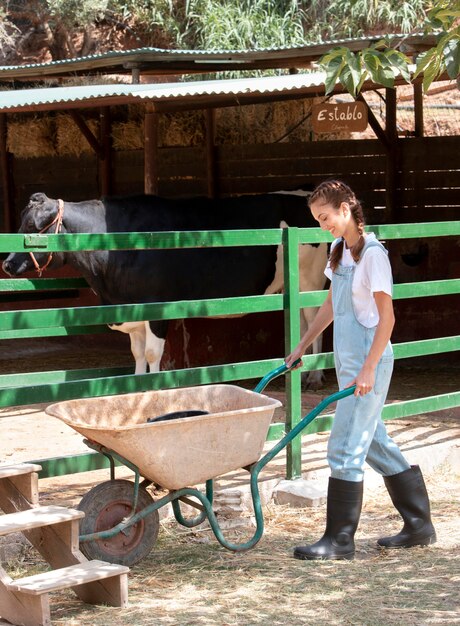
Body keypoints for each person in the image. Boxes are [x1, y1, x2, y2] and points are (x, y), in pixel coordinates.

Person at [285, 180, 436, 561]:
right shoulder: (339, 251)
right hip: (349, 362)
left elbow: (387, 318)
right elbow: (332, 305)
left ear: (346, 210)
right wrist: (302, 345)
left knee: (346, 446)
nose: (323, 227)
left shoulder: (373, 255)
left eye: (325, 218)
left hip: (370, 362)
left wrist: (368, 370)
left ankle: (339, 541)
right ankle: (420, 525)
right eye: (317, 220)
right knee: (374, 442)